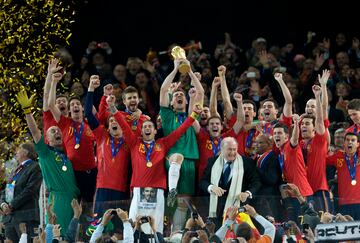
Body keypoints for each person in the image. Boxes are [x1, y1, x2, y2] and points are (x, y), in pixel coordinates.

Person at [106, 93, 201, 233]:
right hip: (138, 189)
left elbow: (180, 131)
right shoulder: (134, 143)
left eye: (150, 126)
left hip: (158, 190)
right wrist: (112, 107)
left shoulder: (162, 144)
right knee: (133, 225)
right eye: (144, 127)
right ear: (141, 131)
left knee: (156, 228)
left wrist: (193, 115)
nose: (147, 128)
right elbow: (124, 125)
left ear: (155, 131)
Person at [15, 88, 80, 236]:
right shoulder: (45, 154)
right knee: (60, 237)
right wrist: (27, 111)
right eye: (52, 131)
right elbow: (35, 131)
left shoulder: (66, 156)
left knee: (73, 238)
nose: (57, 132)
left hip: (73, 199)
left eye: (58, 131)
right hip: (59, 201)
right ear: (47, 139)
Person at [48, 70, 97, 206]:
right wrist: (53, 83)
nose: (75, 106)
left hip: (92, 172)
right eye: (72, 105)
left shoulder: (89, 126)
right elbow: (52, 105)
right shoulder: (65, 123)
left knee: (91, 205)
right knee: (76, 206)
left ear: (82, 109)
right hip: (74, 172)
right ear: (69, 110)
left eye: (77, 105)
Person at [84, 75, 131, 216]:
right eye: (111, 121)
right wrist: (92, 89)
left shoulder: (130, 141)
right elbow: (88, 113)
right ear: (108, 127)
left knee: (118, 230)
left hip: (121, 189)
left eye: (117, 120)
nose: (114, 122)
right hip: (102, 188)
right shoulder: (102, 136)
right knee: (99, 226)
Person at [199, 137, 261, 229]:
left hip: (238, 210)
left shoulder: (247, 162)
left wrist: (247, 193)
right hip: (216, 211)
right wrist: (211, 187)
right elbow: (203, 182)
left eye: (234, 149)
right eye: (229, 149)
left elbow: (256, 182)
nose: (232, 152)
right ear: (222, 149)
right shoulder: (212, 161)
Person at [273, 117, 313, 223]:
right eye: (275, 133)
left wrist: (296, 124)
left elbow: (294, 139)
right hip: (293, 194)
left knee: (305, 225)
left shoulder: (289, 147)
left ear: (286, 136)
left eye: (279, 133)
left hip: (302, 193)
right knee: (295, 226)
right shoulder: (281, 151)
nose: (276, 135)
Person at [0, 142, 42, 243]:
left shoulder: (35, 167)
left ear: (26, 152)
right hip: (9, 219)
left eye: (19, 149)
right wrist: (3, 204)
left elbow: (30, 190)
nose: (16, 152)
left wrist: (11, 205)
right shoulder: (15, 170)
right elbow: (6, 190)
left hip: (26, 218)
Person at [300, 84, 332, 213]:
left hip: (319, 188)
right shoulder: (299, 142)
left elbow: (321, 115)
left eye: (307, 124)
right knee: (306, 225)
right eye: (307, 106)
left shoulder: (319, 139)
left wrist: (319, 94)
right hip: (304, 190)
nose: (304, 126)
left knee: (325, 222)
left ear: (314, 128)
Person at [326, 132, 360, 220]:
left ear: (357, 144)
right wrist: (325, 149)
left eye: (353, 140)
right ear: (344, 143)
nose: (350, 142)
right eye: (347, 140)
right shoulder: (338, 156)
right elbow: (323, 160)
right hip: (344, 203)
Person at [252, 134, 283, 221]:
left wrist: (256, 169)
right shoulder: (256, 159)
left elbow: (272, 179)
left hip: (270, 200)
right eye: (255, 142)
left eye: (260, 142)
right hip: (260, 200)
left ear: (269, 144)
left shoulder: (273, 157)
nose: (256, 145)